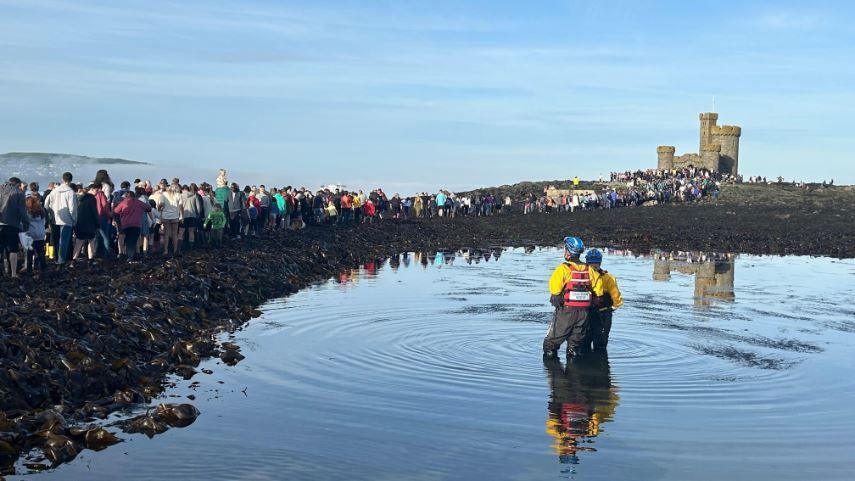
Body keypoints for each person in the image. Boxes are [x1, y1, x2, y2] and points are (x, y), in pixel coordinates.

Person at [544, 236, 600, 359]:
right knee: (576, 342)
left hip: (567, 310)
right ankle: (574, 364)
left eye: (565, 249)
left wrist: (556, 298)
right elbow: (598, 289)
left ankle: (550, 358)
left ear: (568, 251)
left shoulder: (563, 268)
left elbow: (555, 289)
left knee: (553, 340)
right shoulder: (589, 269)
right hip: (584, 312)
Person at [583, 249, 623, 350]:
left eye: (595, 263)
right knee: (595, 344)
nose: (594, 266)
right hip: (595, 314)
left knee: (589, 344)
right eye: (593, 263)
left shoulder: (581, 277)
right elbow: (616, 297)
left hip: (592, 313)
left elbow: (616, 295)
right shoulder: (607, 277)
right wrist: (614, 306)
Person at [44, 172, 78, 264]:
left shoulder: (54, 191)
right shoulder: (71, 192)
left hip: (55, 218)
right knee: (64, 241)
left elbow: (46, 205)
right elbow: (72, 209)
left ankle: (57, 259)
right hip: (66, 220)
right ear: (71, 180)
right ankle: (61, 260)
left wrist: (51, 215)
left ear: (62, 179)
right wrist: (74, 219)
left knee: (56, 240)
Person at [0, 177, 29, 278]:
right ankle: (13, 273)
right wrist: (26, 224)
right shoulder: (19, 193)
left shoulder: (0, 189)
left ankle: (3, 271)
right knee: (13, 249)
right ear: (18, 184)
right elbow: (22, 211)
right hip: (12, 224)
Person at [113, 190, 152, 261]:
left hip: (125, 225)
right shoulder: (139, 202)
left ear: (127, 196)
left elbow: (115, 211)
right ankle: (130, 256)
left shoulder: (123, 202)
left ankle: (126, 255)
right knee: (133, 241)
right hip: (136, 225)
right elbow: (149, 208)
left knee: (127, 240)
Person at [71, 184, 99, 262]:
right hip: (90, 223)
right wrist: (97, 224)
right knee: (91, 241)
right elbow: (94, 212)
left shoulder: (76, 197)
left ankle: (74, 260)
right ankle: (91, 259)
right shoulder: (91, 198)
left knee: (79, 242)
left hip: (79, 222)